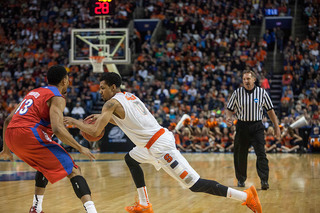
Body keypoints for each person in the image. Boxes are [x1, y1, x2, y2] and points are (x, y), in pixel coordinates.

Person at [64, 72, 262, 213]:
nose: (100, 92)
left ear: (113, 87)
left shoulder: (111, 103)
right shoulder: (127, 97)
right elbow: (121, 119)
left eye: (103, 88)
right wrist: (100, 116)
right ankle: (144, 204)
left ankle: (246, 197)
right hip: (149, 145)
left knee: (194, 184)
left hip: (160, 147)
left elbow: (96, 131)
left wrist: (74, 122)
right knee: (131, 159)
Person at [0, 65, 97, 213]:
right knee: (74, 170)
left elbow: (7, 120)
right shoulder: (57, 96)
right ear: (64, 81)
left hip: (11, 136)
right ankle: (92, 211)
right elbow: (57, 129)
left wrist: (6, 150)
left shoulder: (34, 92)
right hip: (30, 134)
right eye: (68, 80)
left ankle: (36, 208)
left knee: (44, 166)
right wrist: (80, 147)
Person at [226, 70, 280, 190]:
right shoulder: (237, 93)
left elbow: (271, 111)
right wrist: (229, 118)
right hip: (242, 126)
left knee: (261, 153)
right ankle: (241, 179)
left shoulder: (262, 93)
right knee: (240, 154)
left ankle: (264, 180)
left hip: (257, 126)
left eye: (248, 79)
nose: (246, 81)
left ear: (254, 80)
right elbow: (229, 108)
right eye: (244, 79)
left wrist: (276, 127)